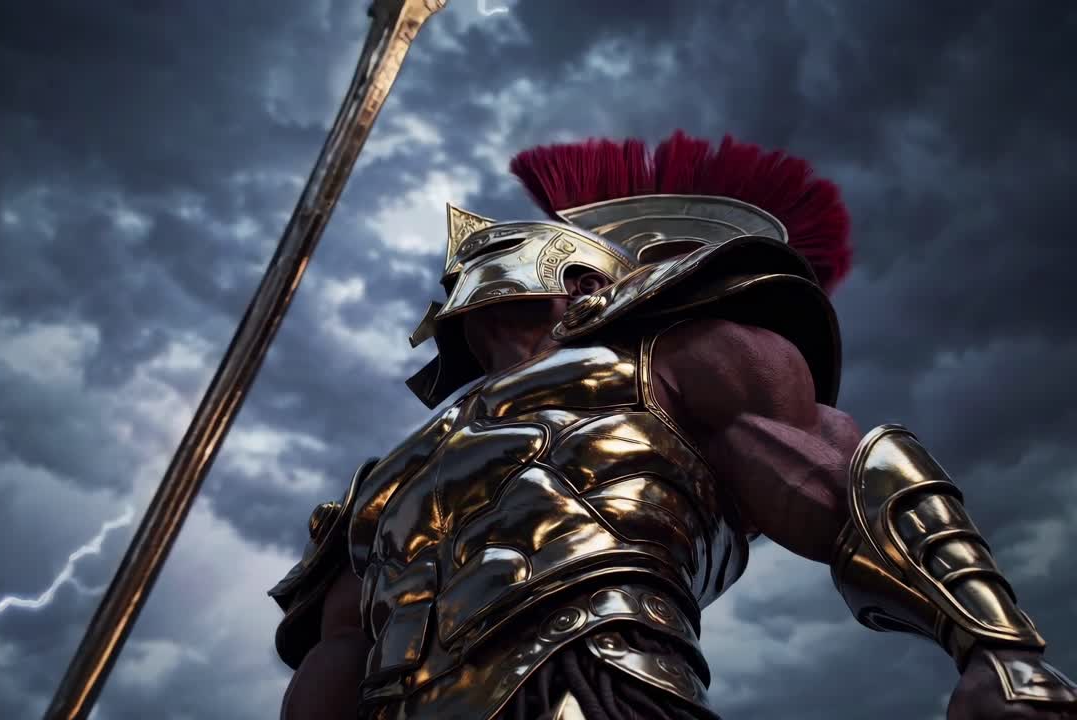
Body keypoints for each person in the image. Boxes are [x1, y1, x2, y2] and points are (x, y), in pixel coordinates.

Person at [268, 133, 1077, 720]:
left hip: (595, 677)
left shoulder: (675, 355)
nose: (467, 258)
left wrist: (994, 651)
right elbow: (338, 652)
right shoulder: (388, 478)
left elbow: (844, 480)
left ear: (578, 272)